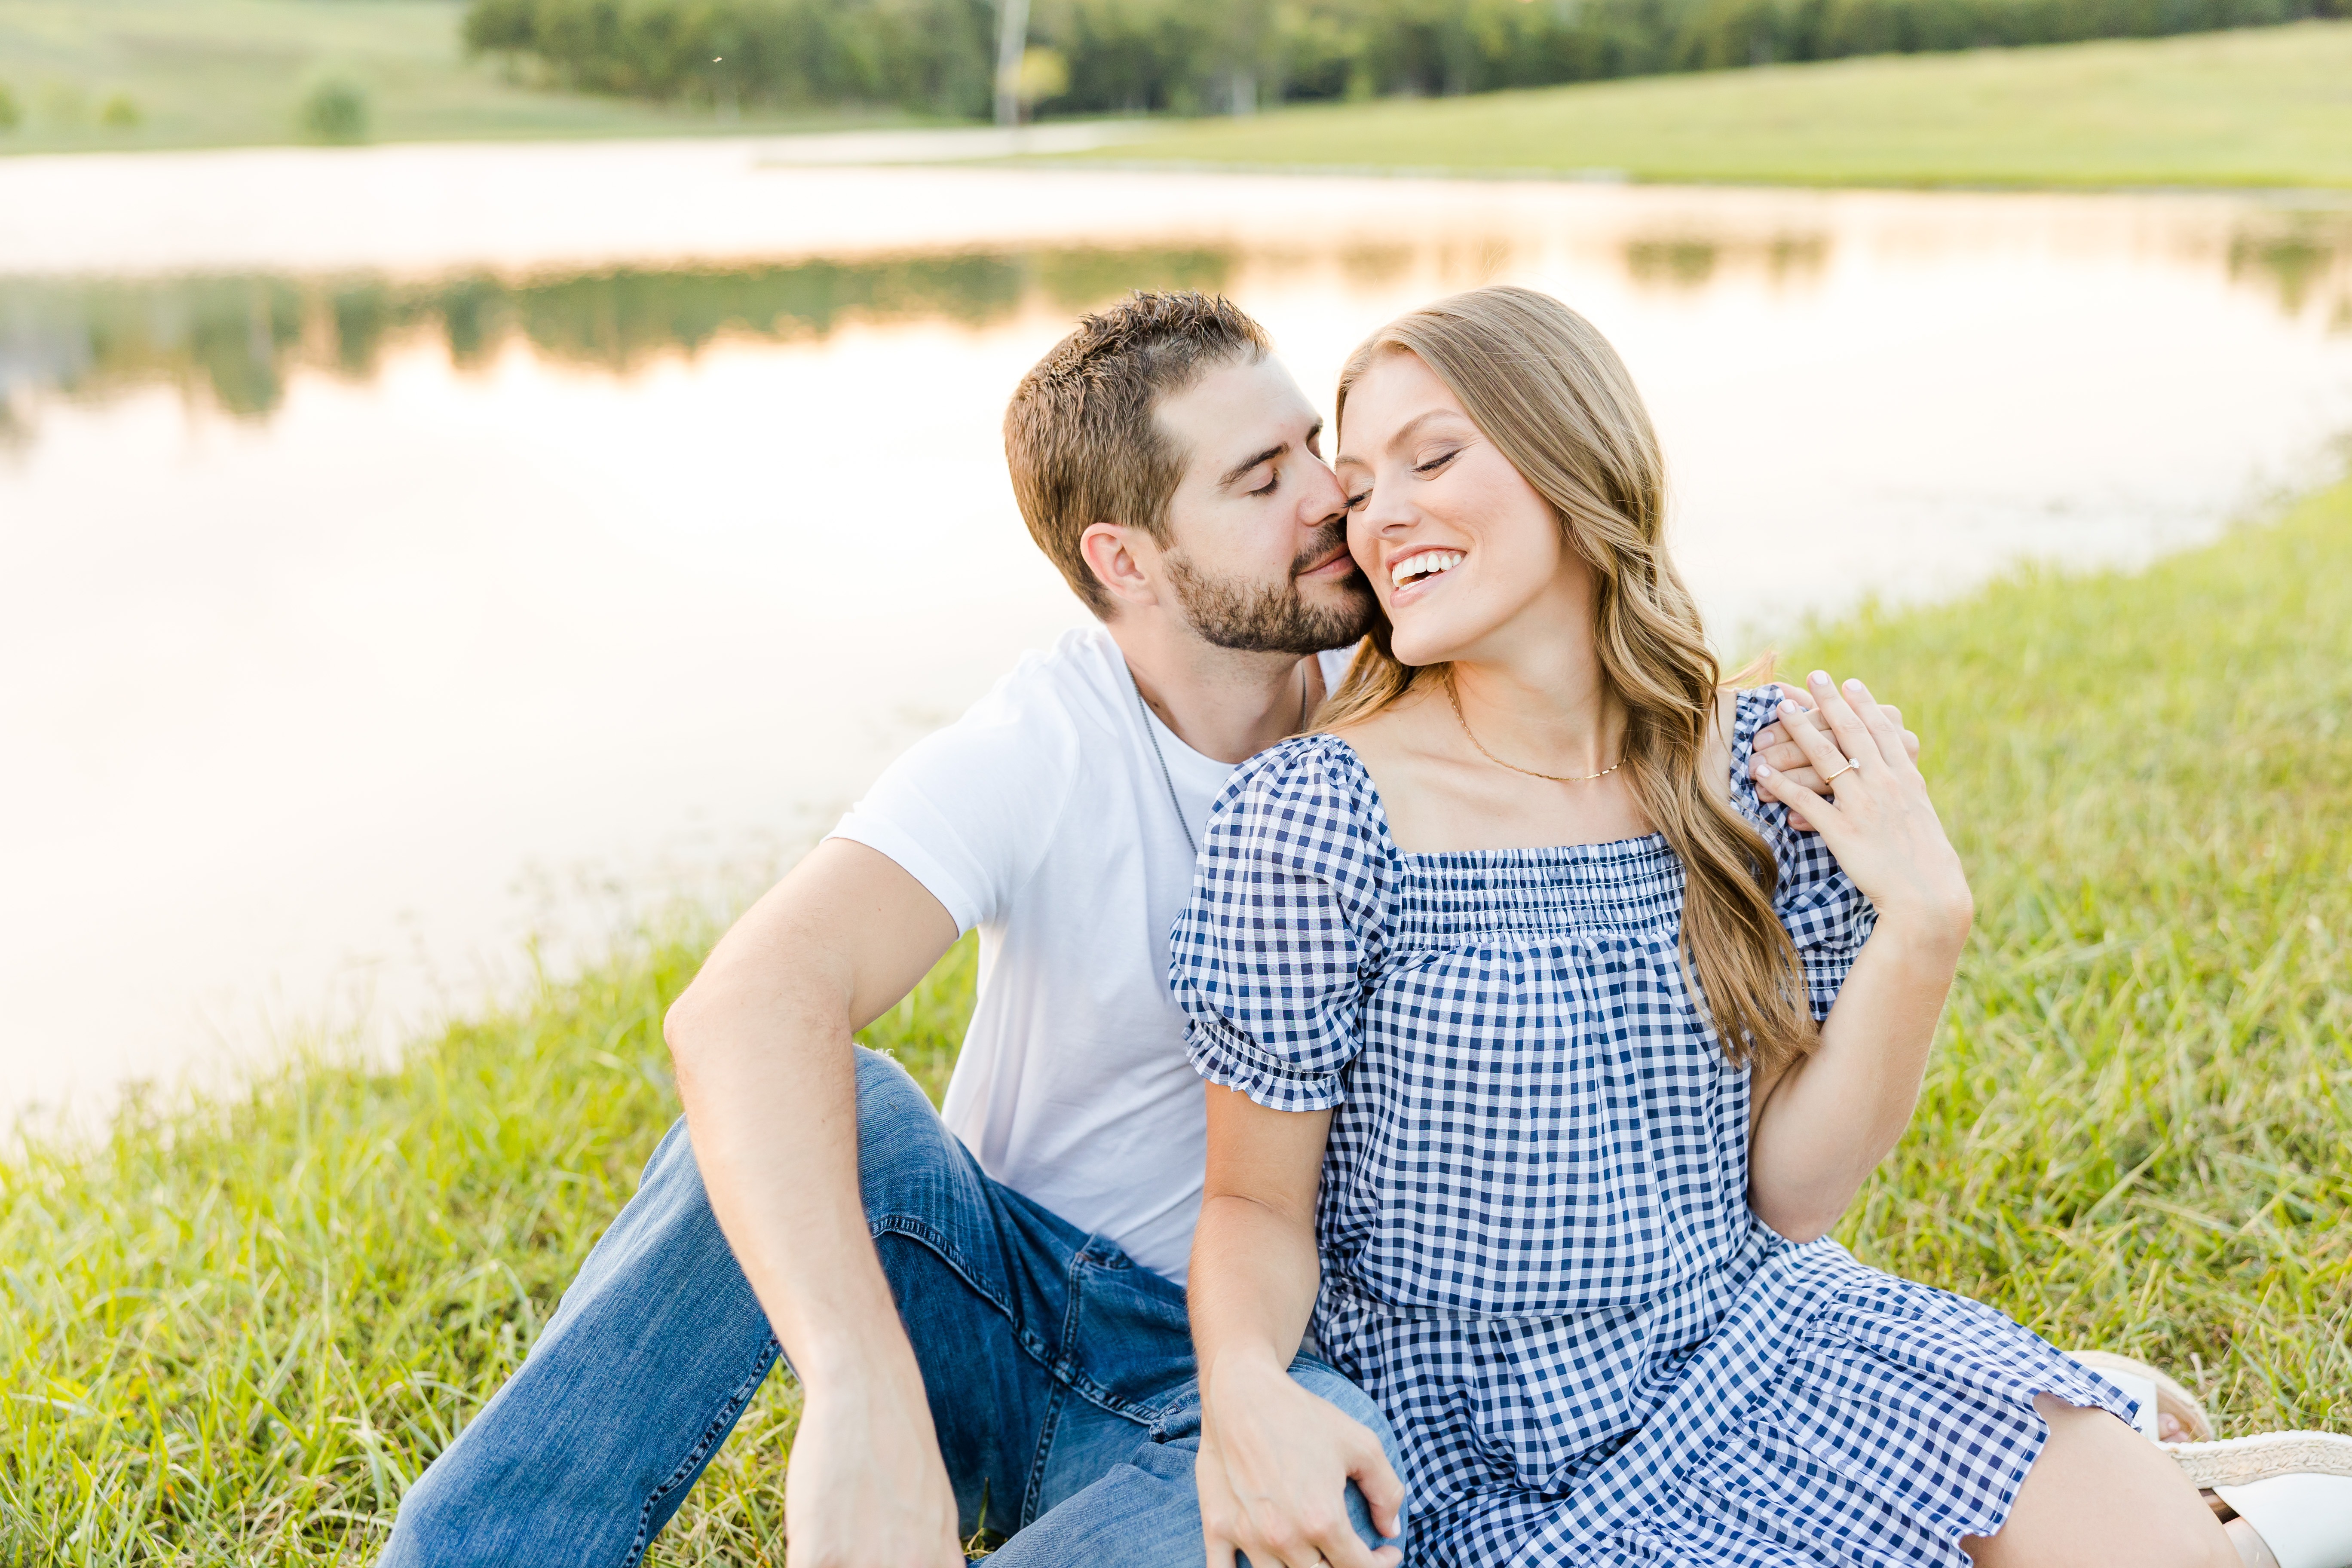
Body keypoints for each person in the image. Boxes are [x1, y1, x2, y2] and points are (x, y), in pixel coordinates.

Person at [380, 291, 1910, 1567]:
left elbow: (1603, 713)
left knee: (1343, 1508)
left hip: (1244, 1369)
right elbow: (742, 1005)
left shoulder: (1407, 694)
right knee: (821, 1095)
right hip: (1002, 1300)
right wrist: (858, 1388)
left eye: (1318, 446)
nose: (1338, 498)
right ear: (1126, 560)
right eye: (1264, 481)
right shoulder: (1047, 742)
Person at [1170, 285, 2352, 1568]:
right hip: (1486, 1442)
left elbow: (1790, 1197)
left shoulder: (1762, 767)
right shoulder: (1317, 818)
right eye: (1356, 484)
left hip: (1759, 1341)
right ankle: (2143, 1452)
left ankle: (2204, 1505)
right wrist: (1241, 1386)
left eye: (1434, 455)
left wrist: (1926, 923)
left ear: (1578, 453)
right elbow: (1253, 1201)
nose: (1380, 514)